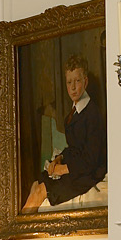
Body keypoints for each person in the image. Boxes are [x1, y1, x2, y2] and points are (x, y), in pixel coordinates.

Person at [25, 56, 107, 210]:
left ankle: (17, 233)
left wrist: (63, 169)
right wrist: (59, 159)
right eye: (69, 82)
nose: (73, 87)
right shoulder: (72, 114)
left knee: (40, 191)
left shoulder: (92, 113)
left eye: (77, 81)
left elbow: (91, 158)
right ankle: (21, 230)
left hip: (88, 172)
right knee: (36, 184)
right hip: (76, 166)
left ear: (85, 82)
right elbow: (75, 147)